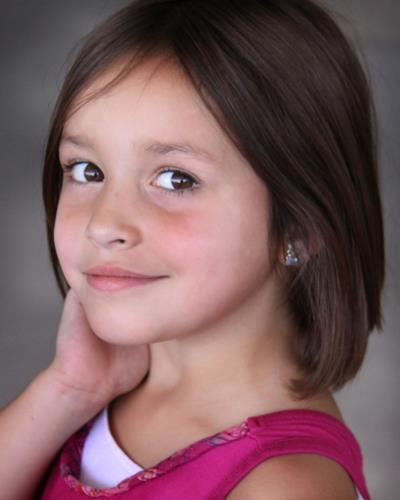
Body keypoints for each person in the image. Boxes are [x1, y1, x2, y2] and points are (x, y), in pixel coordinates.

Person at [0, 0, 384, 498]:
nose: (103, 224)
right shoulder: (87, 393)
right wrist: (69, 391)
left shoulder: (283, 485)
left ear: (300, 225)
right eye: (87, 170)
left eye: (176, 179)